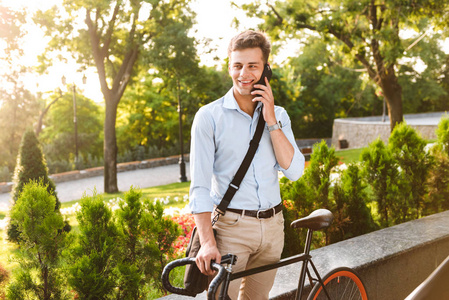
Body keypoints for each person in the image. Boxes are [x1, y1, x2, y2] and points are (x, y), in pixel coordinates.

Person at [189, 30, 305, 299]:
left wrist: (271, 119)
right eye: (237, 65)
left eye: (253, 66)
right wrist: (207, 243)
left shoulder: (279, 116)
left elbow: (295, 171)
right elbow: (199, 188)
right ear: (229, 67)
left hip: (274, 227)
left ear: (266, 70)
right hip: (232, 230)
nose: (244, 73)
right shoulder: (208, 118)